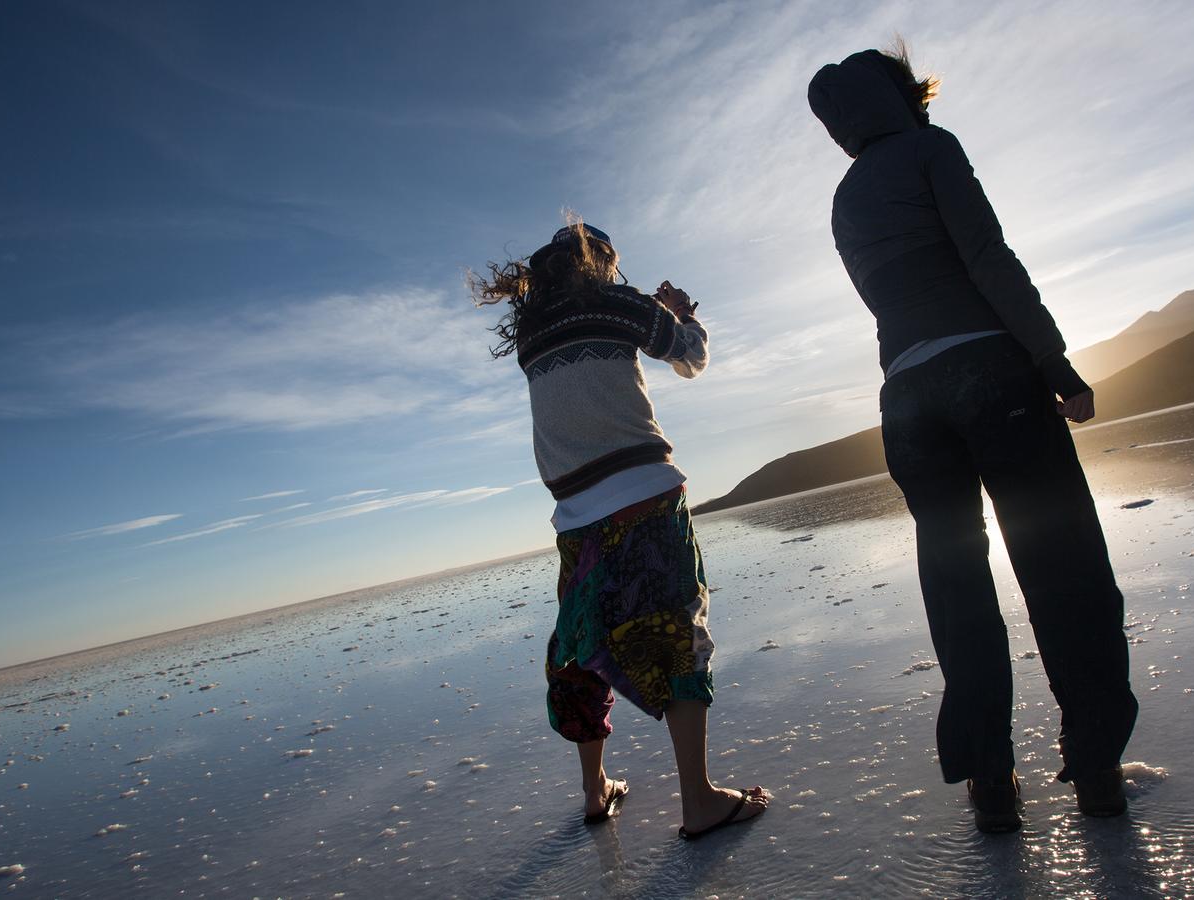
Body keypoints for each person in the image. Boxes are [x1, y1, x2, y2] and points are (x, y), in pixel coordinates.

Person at [807, 47, 1139, 832]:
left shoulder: (844, 197)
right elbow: (985, 256)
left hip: (909, 402)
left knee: (956, 587)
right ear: (900, 96)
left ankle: (990, 783)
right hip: (990, 372)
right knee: (1064, 567)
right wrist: (1054, 362)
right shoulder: (932, 147)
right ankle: (1096, 770)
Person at [471, 220, 771, 840]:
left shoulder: (532, 330)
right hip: (646, 497)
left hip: (575, 518)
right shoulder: (616, 303)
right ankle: (699, 800)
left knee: (581, 648)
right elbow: (689, 356)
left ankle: (593, 790)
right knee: (677, 632)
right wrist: (681, 313)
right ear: (600, 260)